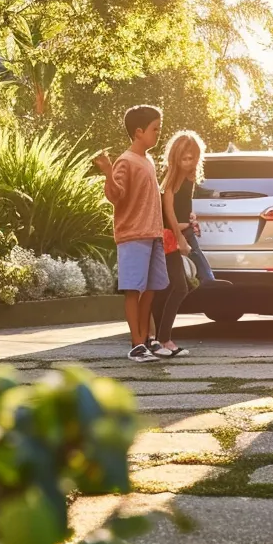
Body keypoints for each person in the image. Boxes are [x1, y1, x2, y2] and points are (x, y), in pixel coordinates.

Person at [95, 105, 168, 363]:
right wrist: (107, 172)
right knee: (132, 291)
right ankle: (136, 344)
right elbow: (116, 196)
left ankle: (146, 338)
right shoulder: (126, 161)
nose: (158, 134)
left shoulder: (147, 161)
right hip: (133, 235)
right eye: (155, 129)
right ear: (139, 132)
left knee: (151, 289)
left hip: (152, 234)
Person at [150, 130, 208, 358]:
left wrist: (191, 219)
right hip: (167, 236)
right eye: (184, 158)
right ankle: (164, 339)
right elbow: (168, 208)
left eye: (192, 157)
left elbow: (182, 206)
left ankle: (159, 338)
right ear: (175, 157)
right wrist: (180, 236)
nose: (189, 162)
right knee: (180, 286)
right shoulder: (174, 174)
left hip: (176, 232)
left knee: (174, 287)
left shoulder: (189, 176)